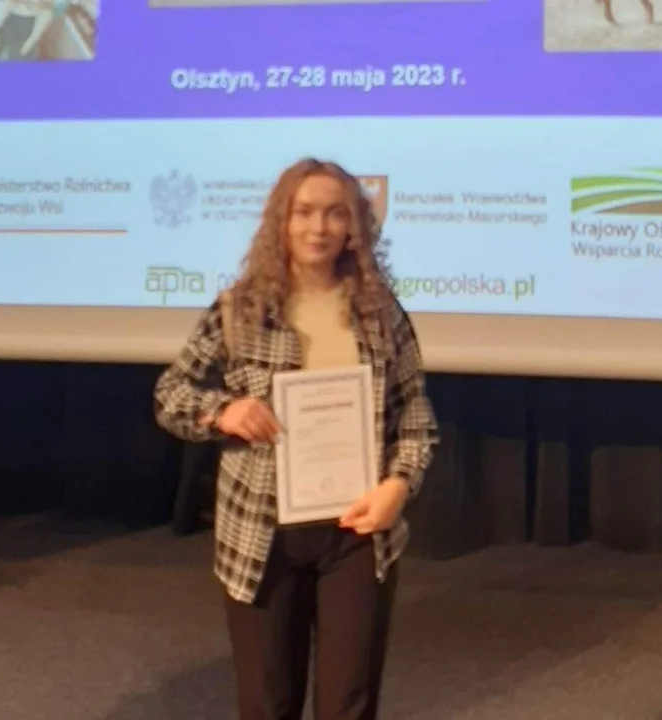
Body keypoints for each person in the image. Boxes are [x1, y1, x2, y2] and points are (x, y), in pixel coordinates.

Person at [153, 157, 439, 720]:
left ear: (355, 225)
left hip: (357, 530)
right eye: (304, 212)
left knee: (348, 703)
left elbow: (415, 416)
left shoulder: (381, 312)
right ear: (280, 221)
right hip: (262, 535)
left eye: (336, 213)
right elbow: (170, 394)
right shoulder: (238, 310)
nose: (319, 227)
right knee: (267, 703)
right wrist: (224, 411)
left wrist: (399, 486)